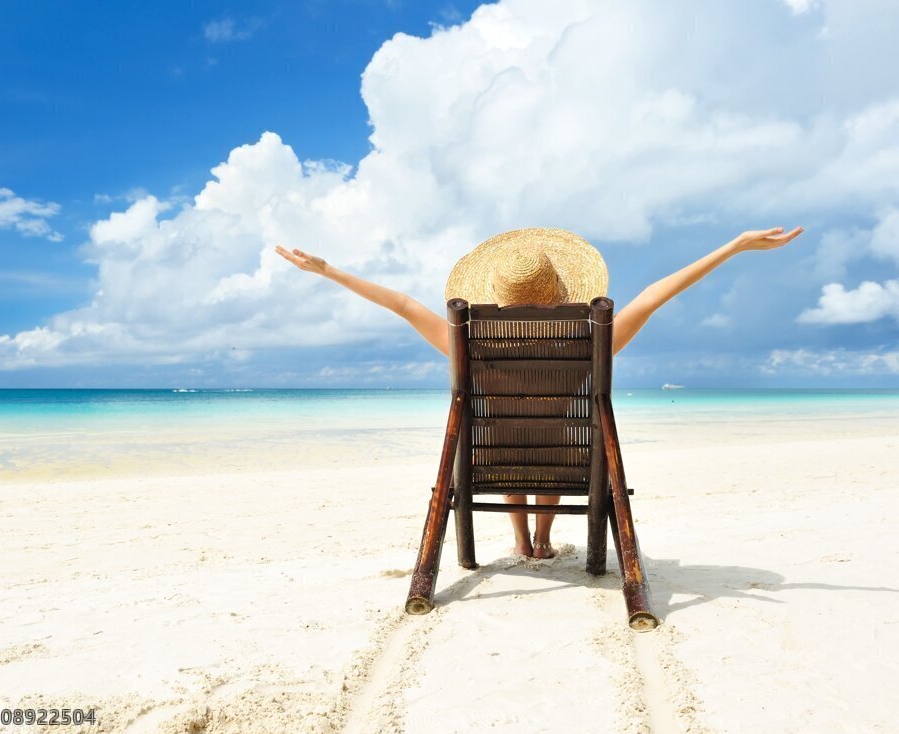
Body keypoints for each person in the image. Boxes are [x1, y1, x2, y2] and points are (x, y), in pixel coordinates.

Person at [275, 225, 803, 559]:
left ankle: (522, 542)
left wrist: (330, 272)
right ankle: (545, 540)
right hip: (565, 464)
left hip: (492, 463)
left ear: (496, 298)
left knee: (509, 435)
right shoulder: (586, 341)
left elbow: (405, 305)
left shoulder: (469, 342)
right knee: (552, 436)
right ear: (561, 293)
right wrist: (732, 248)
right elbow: (651, 298)